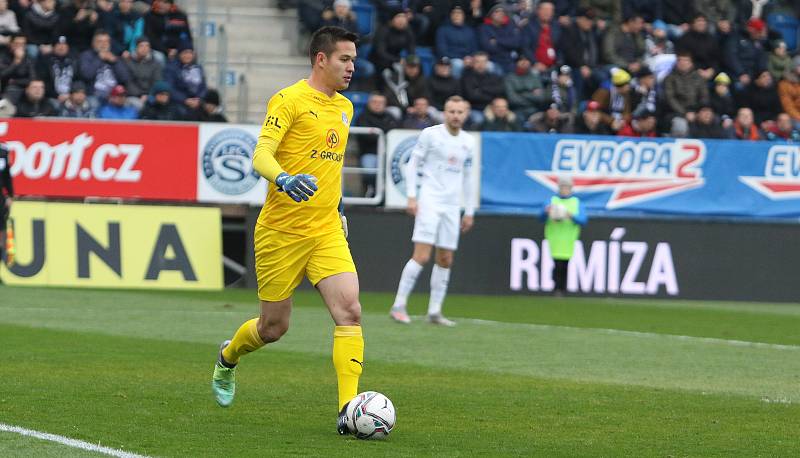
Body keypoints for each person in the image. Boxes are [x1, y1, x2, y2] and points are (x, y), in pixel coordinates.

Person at [210, 26, 364, 438]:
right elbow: (260, 153)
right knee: (273, 327)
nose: (352, 66)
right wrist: (283, 179)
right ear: (321, 59)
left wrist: (340, 207)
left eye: (353, 59)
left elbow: (333, 167)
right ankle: (227, 357)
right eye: (344, 59)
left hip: (326, 229)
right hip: (281, 230)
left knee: (349, 310)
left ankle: (348, 411)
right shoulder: (289, 99)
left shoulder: (346, 108)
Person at [389, 95, 476, 327]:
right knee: (422, 255)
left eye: (460, 112)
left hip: (451, 205)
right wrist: (411, 196)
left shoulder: (468, 142)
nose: (455, 116)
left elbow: (468, 177)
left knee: (446, 258)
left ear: (465, 115)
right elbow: (413, 164)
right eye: (451, 111)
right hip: (430, 200)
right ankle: (399, 305)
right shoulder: (431, 135)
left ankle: (435, 311)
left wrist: (469, 211)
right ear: (444, 113)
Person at [541, 176, 587, 297]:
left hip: (568, 239)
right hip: (554, 238)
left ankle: (562, 288)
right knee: (556, 264)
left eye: (567, 187)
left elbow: (583, 220)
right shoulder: (552, 201)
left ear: (571, 189)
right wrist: (546, 212)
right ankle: (556, 287)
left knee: (564, 264)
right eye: (562, 187)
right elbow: (541, 218)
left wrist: (570, 215)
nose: (564, 190)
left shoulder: (576, 202)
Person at [0, 141, 11, 264]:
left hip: (0, 198)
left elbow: (7, 176)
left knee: (2, 229)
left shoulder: (3, 152)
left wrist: (9, 195)